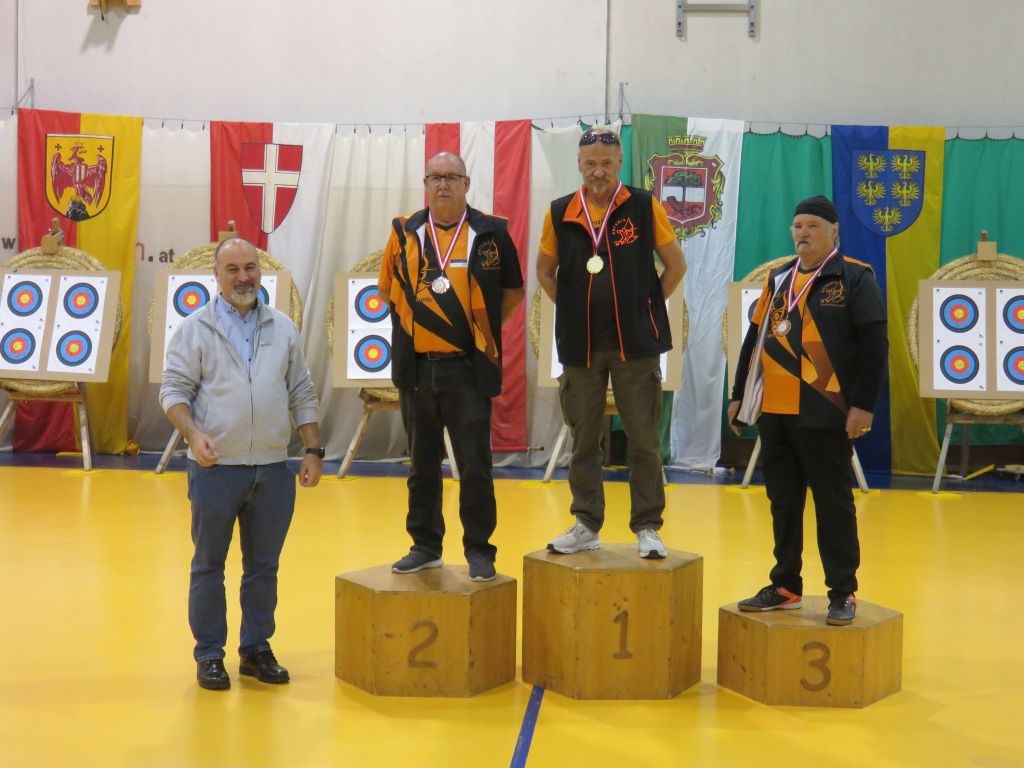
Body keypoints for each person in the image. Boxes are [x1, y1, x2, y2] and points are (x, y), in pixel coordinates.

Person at [160, 237, 323, 690]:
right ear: (216, 275)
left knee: (263, 568)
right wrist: (193, 434)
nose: (243, 277)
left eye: (250, 267)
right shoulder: (194, 329)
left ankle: (255, 650)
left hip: (273, 469)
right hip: (215, 470)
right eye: (232, 269)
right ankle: (210, 654)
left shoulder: (283, 328)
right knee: (208, 566)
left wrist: (313, 449)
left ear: (260, 271)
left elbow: (301, 391)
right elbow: (173, 391)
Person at [728, 195, 887, 626]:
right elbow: (755, 339)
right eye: (798, 226)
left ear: (834, 231)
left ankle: (842, 591)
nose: (803, 233)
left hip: (826, 409)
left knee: (833, 502)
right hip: (775, 411)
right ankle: (785, 585)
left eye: (813, 226)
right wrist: (739, 394)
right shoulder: (779, 278)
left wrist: (863, 406)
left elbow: (875, 347)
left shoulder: (854, 277)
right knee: (783, 501)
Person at [536, 128, 686, 559]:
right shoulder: (560, 211)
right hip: (580, 344)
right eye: (590, 164)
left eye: (606, 163)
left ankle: (648, 526)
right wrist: (571, 308)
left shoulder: (643, 205)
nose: (598, 171)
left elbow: (676, 265)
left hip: (634, 345)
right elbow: (544, 270)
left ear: (619, 163)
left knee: (643, 438)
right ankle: (586, 523)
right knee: (583, 437)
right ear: (579, 165)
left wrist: (646, 307)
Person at [378, 151, 524, 582]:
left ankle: (479, 549)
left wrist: (481, 329)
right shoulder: (404, 231)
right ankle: (425, 546)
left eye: (451, 177)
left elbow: (513, 292)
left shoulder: (492, 232)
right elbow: (387, 289)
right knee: (422, 465)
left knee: (475, 465)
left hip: (468, 369)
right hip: (418, 368)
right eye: (435, 177)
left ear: (466, 183)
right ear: (426, 183)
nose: (443, 184)